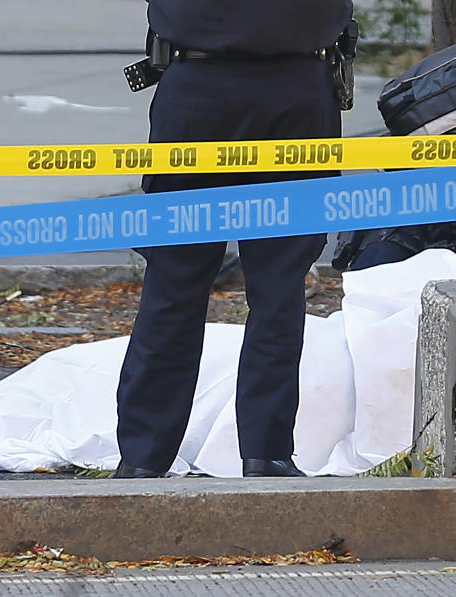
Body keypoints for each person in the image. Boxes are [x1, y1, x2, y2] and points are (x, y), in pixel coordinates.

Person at [113, 0, 355, 478]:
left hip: (200, 90)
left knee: (175, 283)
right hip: (296, 93)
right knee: (278, 288)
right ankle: (267, 454)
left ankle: (144, 458)